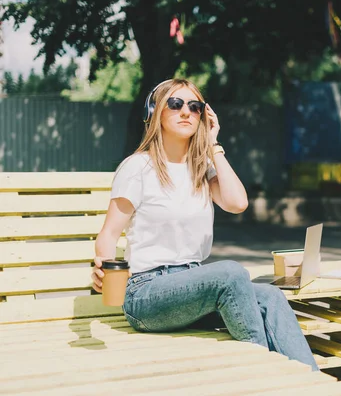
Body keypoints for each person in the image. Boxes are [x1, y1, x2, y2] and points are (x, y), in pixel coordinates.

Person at [91, 78, 319, 371]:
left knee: (271, 297)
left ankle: (309, 383)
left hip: (195, 287)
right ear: (155, 112)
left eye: (195, 107)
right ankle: (262, 377)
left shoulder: (202, 168)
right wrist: (103, 266)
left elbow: (237, 203)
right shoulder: (138, 168)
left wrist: (213, 146)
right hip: (147, 293)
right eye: (175, 104)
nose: (186, 112)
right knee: (231, 274)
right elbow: (109, 233)